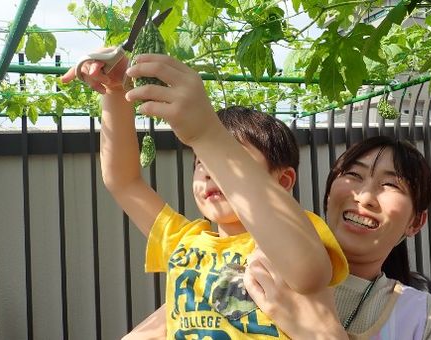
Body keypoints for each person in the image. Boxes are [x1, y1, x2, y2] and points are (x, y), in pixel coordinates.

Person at [62, 51, 348, 339]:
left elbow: (308, 272)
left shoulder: (295, 231)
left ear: (283, 180)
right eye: (201, 162)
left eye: (227, 160)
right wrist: (114, 90)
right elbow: (122, 180)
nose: (209, 171)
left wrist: (207, 134)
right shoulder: (182, 240)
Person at [244, 135, 431, 339]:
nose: (364, 197)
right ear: (328, 196)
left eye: (390, 184)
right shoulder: (260, 271)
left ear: (415, 222)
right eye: (354, 174)